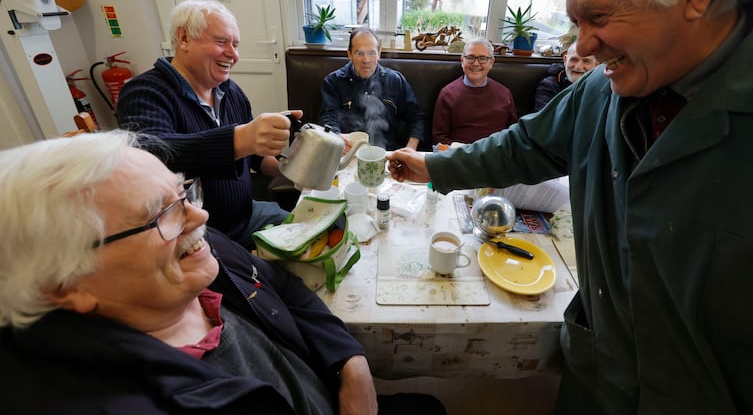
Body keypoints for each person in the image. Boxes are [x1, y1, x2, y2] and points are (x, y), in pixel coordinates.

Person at [388, 0, 753, 414]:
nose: (580, 46)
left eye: (598, 18)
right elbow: (526, 144)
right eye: (576, 23)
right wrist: (437, 165)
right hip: (599, 378)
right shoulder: (603, 86)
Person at [0, 131, 446, 415]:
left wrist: (351, 364)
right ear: (64, 285)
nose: (200, 216)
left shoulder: (199, 261)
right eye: (161, 215)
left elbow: (283, 287)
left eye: (183, 193)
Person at [118, 0, 296, 250]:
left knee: (314, 231)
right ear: (183, 39)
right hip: (196, 238)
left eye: (235, 45)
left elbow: (255, 158)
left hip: (246, 216)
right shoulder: (145, 92)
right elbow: (151, 154)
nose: (233, 54)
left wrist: (296, 167)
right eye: (221, 42)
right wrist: (241, 138)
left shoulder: (230, 91)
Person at [319, 27, 425, 151]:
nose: (366, 60)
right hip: (348, 153)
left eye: (371, 53)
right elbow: (328, 119)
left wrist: (410, 149)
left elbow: (416, 117)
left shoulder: (395, 80)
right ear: (349, 54)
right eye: (359, 53)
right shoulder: (333, 82)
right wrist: (337, 138)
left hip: (388, 153)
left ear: (379, 53)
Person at [431, 38, 517, 146]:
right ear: (462, 60)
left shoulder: (505, 94)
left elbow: (513, 134)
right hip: (459, 156)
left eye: (482, 58)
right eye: (470, 57)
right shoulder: (447, 94)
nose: (476, 63)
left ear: (491, 62)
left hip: (495, 155)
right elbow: (439, 138)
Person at [533, 41, 598, 111]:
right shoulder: (549, 86)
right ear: (565, 60)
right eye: (574, 60)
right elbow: (544, 119)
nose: (578, 67)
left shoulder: (602, 86)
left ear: (597, 64)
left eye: (586, 61)